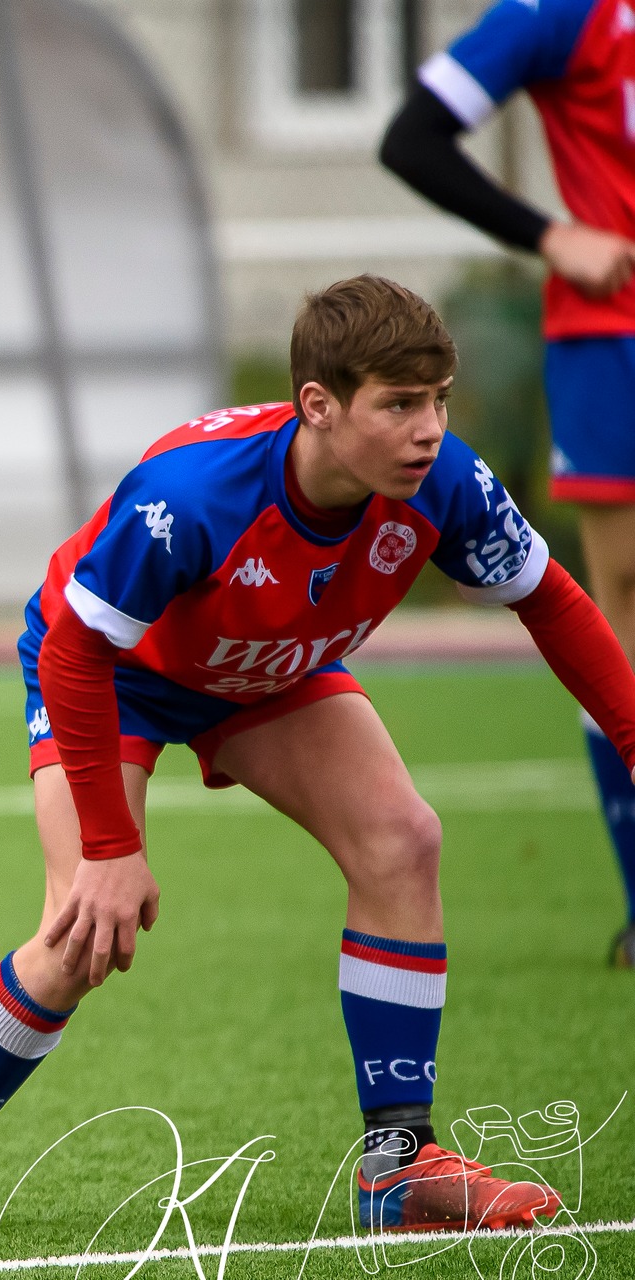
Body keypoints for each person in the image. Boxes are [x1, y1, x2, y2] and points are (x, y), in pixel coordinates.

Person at [0, 277, 634, 1241]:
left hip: (270, 668)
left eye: (439, 399)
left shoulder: (442, 483)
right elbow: (76, 647)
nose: (429, 428)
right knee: (81, 933)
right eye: (400, 404)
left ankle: (398, 1168)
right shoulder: (195, 495)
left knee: (403, 841)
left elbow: (553, 599)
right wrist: (110, 848)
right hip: (117, 671)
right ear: (318, 405)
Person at [380, 0, 635, 968]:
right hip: (611, 342)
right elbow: (410, 137)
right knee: (617, 613)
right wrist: (550, 234)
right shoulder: (564, 13)